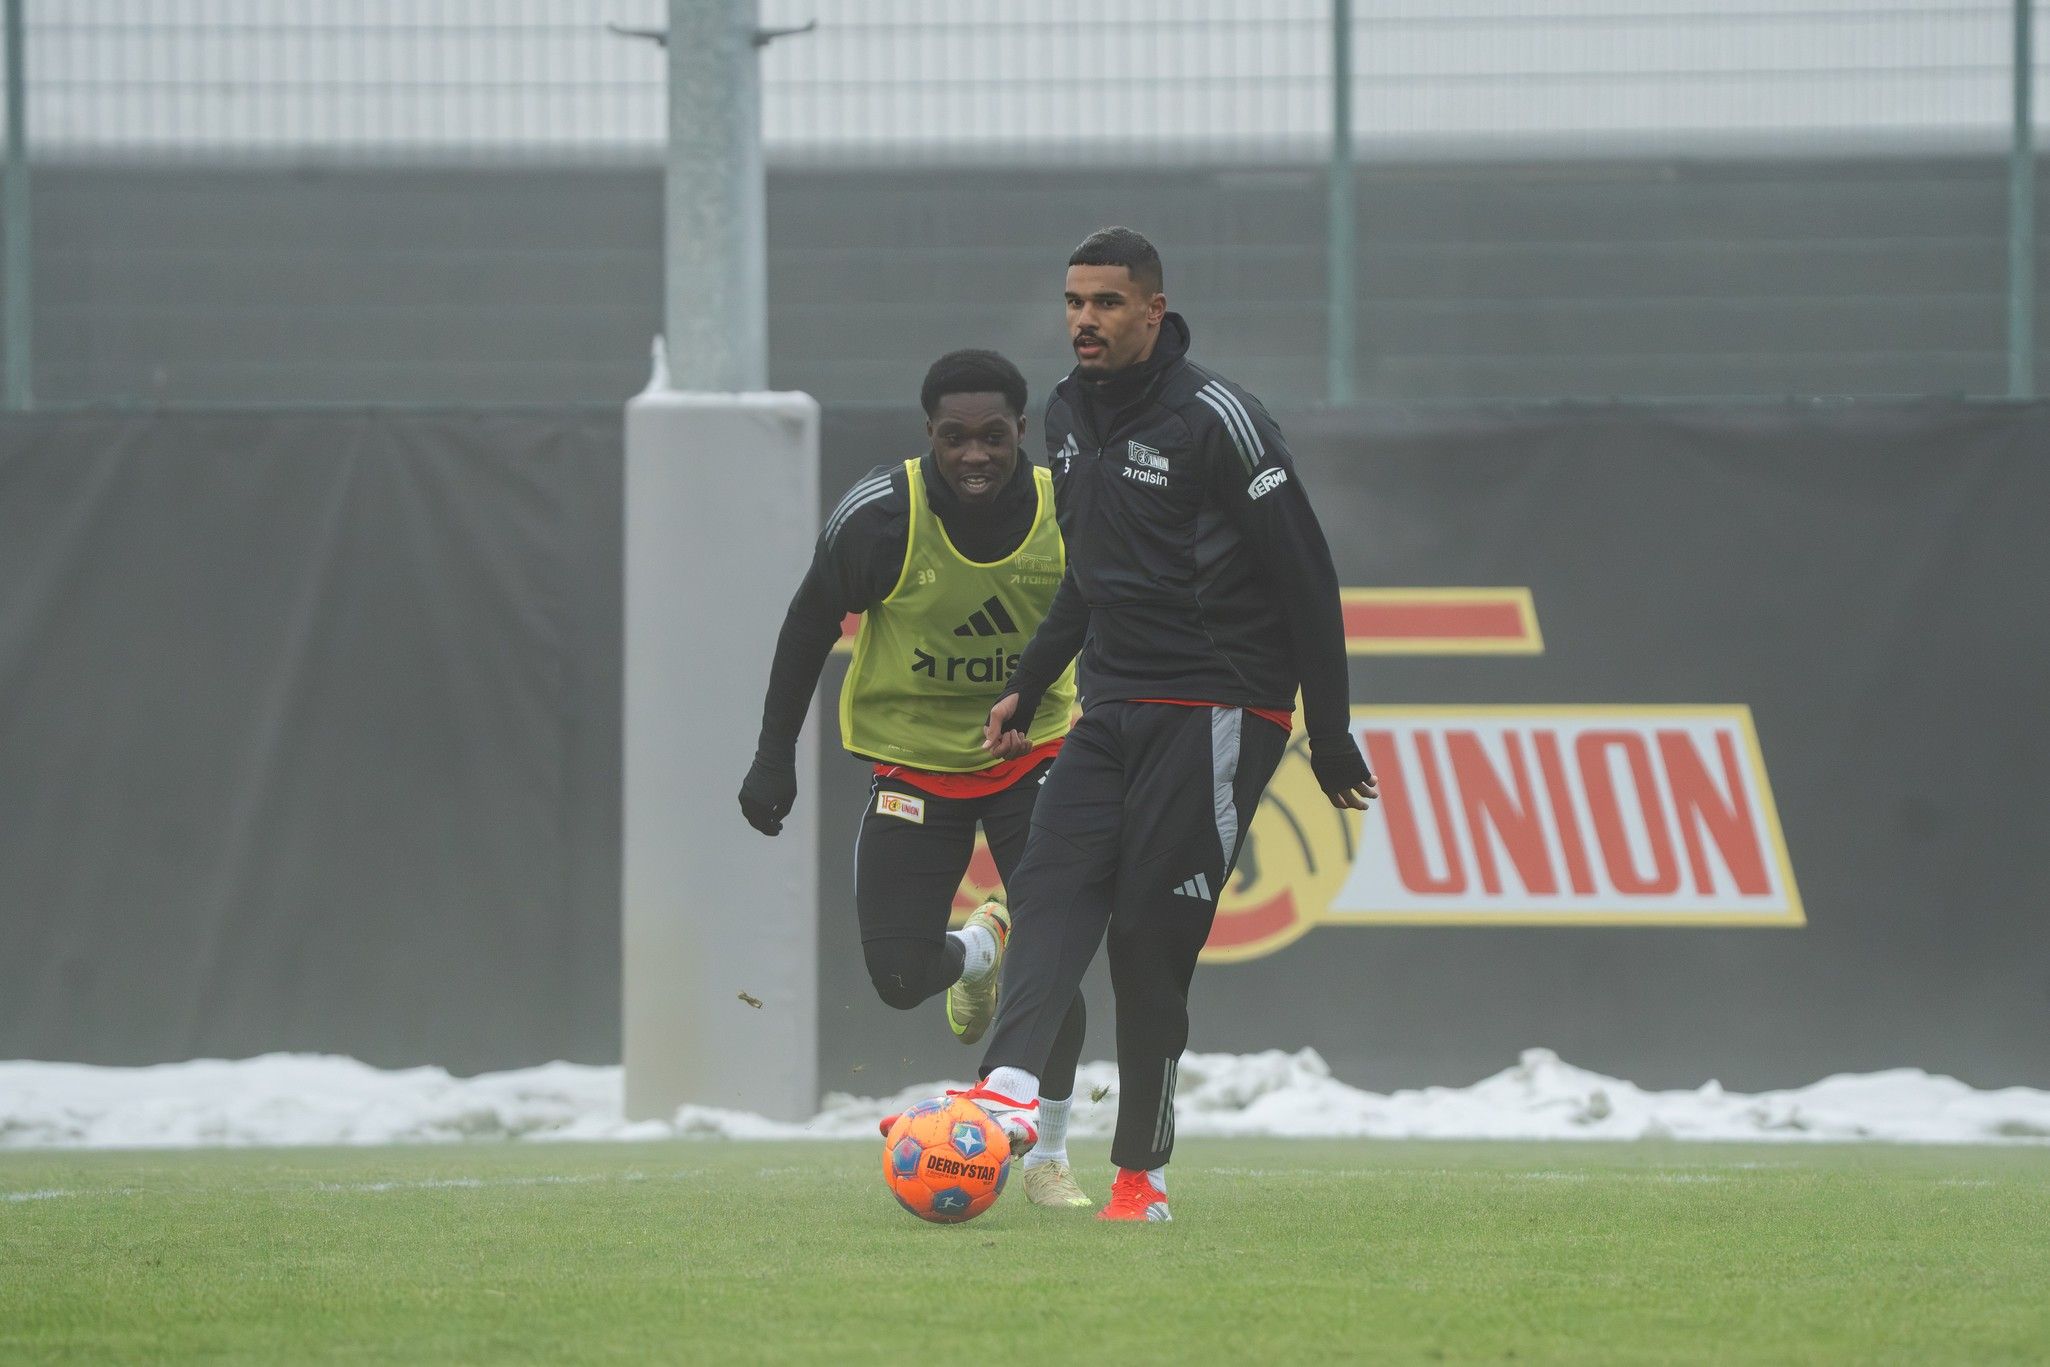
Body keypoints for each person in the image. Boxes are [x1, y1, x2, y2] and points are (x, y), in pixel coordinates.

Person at [956, 228, 1377, 1222]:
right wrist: (1028, 681)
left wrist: (1335, 727)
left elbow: (1306, 578)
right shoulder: (1061, 413)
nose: (1083, 321)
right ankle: (1009, 1087)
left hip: (1221, 703)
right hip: (1111, 700)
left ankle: (1139, 1173)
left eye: (1105, 302)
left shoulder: (1218, 420)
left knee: (1148, 937)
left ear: (1153, 308)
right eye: (1072, 302)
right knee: (1051, 876)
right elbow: (1090, 574)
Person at [738, 349, 1097, 1209]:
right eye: (954, 437)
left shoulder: (1071, 506)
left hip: (1034, 754)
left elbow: (1121, 609)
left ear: (1023, 431)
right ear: (928, 436)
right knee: (898, 978)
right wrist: (771, 752)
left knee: (1055, 955)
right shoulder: (882, 516)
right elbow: (805, 625)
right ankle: (980, 948)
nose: (975, 454)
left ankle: (1046, 1150)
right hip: (913, 763)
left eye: (994, 436)